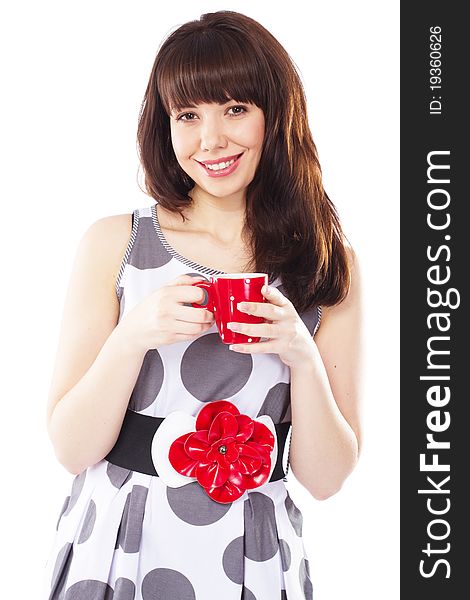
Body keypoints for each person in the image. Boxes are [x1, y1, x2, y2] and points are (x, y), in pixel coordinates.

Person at [42, 10, 362, 600]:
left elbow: (327, 478)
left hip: (253, 552)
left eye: (235, 109)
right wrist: (133, 334)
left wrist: (301, 355)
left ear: (277, 115)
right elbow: (71, 448)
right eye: (187, 115)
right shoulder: (115, 242)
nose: (210, 140)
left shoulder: (324, 262)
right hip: (121, 540)